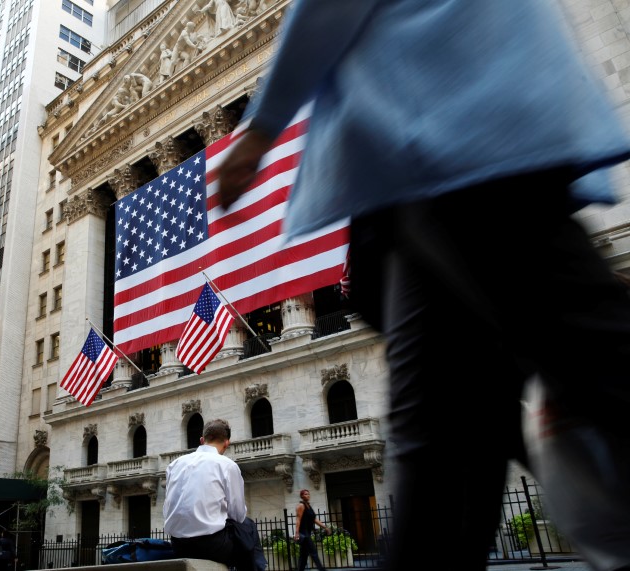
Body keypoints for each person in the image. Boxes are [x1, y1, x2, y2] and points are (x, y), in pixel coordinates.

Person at [216, 2, 630, 571]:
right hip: (438, 153)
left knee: (584, 361)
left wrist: (262, 126)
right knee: (447, 428)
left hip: (453, 136)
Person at [163, 419, 265, 571]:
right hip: (212, 546)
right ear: (227, 443)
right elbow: (238, 514)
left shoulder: (174, 464)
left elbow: (167, 509)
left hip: (178, 545)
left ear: (202, 440)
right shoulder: (227, 465)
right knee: (248, 527)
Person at [293, 489, 330, 571]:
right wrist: (297, 533)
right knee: (313, 552)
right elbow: (298, 519)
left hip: (307, 532)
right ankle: (322, 569)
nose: (308, 495)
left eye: (308, 494)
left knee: (304, 555)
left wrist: (325, 527)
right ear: (302, 496)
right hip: (304, 533)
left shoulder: (308, 506)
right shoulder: (301, 506)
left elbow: (314, 520)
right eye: (305, 494)